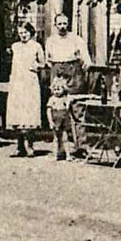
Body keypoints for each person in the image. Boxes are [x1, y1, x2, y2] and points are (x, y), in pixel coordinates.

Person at [44, 13, 93, 161]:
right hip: (58, 71)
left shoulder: (76, 39)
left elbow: (86, 59)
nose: (62, 26)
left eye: (65, 23)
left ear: (68, 24)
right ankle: (60, 147)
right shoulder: (50, 41)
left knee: (77, 109)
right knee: (57, 109)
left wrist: (81, 71)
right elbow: (48, 60)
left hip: (74, 72)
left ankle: (81, 146)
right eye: (59, 24)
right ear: (55, 25)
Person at [3, 22, 46, 157]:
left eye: (25, 32)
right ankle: (19, 146)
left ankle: (30, 146)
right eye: (21, 33)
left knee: (29, 114)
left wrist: (36, 66)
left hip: (30, 82)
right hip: (17, 82)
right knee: (17, 114)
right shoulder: (15, 46)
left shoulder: (36, 46)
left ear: (31, 32)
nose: (23, 35)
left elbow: (43, 63)